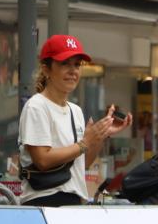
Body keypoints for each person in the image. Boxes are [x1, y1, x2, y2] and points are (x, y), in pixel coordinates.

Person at [18, 34, 127, 206]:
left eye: (77, 64)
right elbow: (42, 160)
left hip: (73, 201)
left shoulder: (75, 110)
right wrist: (85, 143)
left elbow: (81, 164)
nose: (73, 71)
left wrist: (100, 135)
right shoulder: (36, 106)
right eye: (64, 64)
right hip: (44, 201)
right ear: (46, 69)